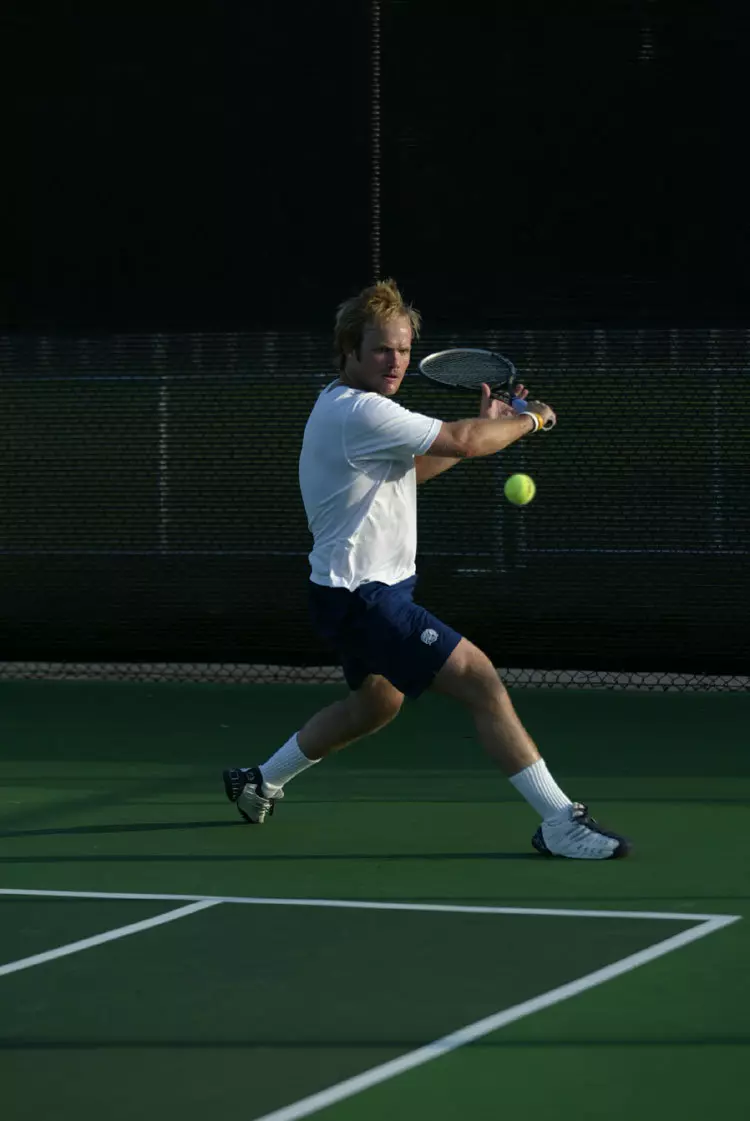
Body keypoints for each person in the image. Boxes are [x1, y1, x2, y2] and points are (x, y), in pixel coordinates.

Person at [224, 280, 630, 859]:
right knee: (480, 680)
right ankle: (560, 820)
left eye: (405, 350)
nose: (396, 363)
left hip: (349, 589)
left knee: (376, 704)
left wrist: (485, 427)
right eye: (383, 350)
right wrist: (529, 419)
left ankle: (260, 781)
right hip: (365, 595)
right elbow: (463, 442)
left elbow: (411, 471)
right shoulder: (361, 410)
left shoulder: (344, 407)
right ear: (349, 349)